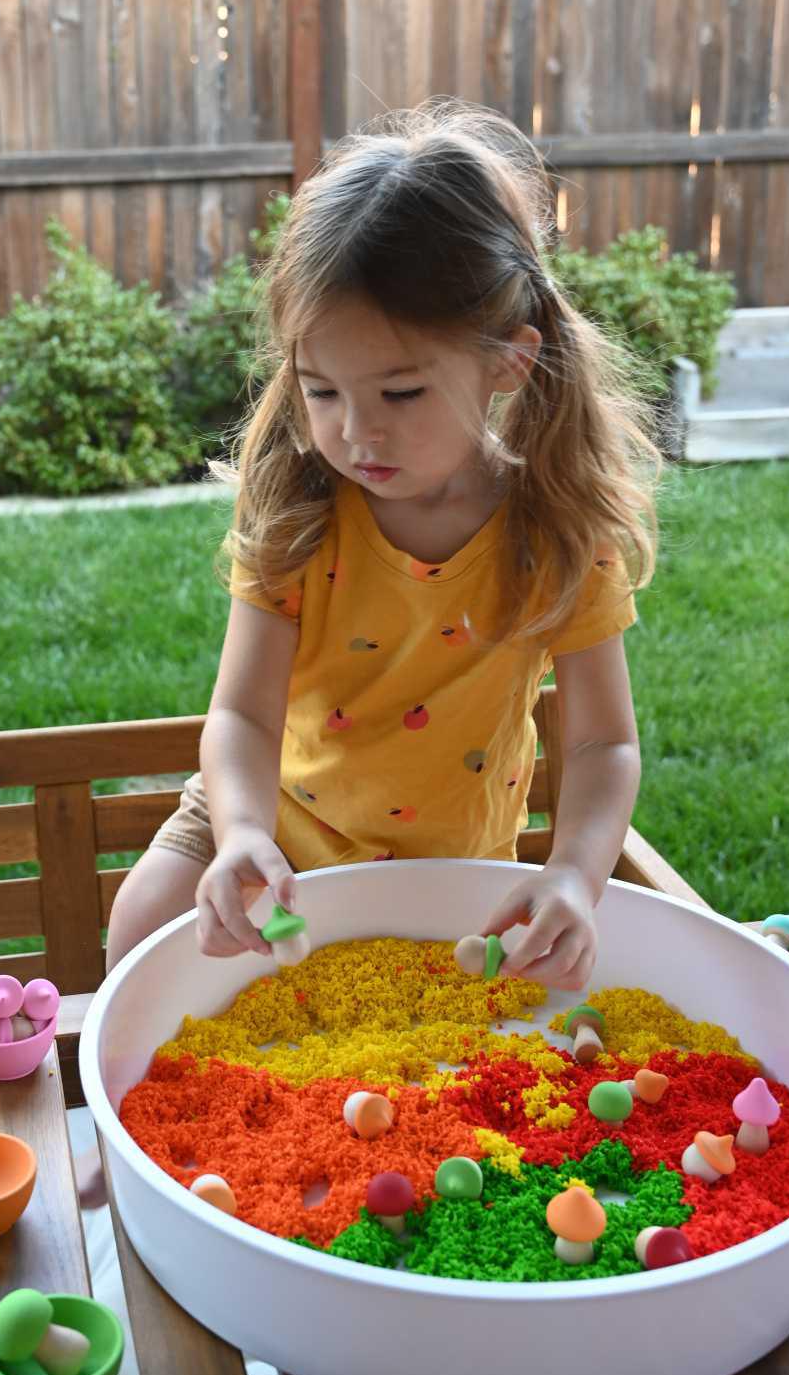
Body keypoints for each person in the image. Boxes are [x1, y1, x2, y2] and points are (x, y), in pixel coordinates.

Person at [105, 98, 660, 995]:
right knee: (139, 927)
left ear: (508, 362)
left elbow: (602, 746)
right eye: (321, 389)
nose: (356, 433)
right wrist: (241, 833)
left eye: (400, 393)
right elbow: (242, 716)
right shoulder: (301, 505)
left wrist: (573, 875)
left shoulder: (555, 529)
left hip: (446, 865)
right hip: (268, 819)